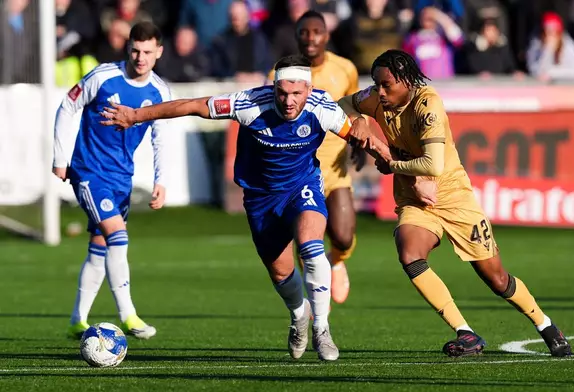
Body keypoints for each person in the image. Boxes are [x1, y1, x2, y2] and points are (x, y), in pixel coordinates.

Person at [99, 55, 382, 361]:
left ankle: (322, 330)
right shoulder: (247, 103)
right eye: (282, 93)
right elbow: (192, 105)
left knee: (312, 247)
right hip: (260, 198)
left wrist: (388, 155)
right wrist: (136, 116)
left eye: (296, 94)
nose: (289, 101)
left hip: (302, 188)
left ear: (309, 88)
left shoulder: (322, 108)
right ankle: (300, 316)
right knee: (281, 272)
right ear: (273, 87)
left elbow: (359, 131)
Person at [337, 49, 573, 358]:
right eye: (377, 84)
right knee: (409, 251)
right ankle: (466, 332)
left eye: (387, 85)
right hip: (414, 197)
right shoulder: (377, 98)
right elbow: (339, 106)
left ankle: (545, 325)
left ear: (407, 81)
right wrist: (356, 122)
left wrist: (389, 162)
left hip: (453, 196)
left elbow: (433, 167)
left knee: (497, 279)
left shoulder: (428, 106)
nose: (380, 92)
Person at [53, 21, 169, 340]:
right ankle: (128, 315)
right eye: (135, 49)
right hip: (89, 171)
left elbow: (160, 138)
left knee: (100, 245)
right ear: (127, 47)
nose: (140, 57)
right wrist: (60, 158)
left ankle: (77, 320)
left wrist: (161, 180)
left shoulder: (159, 91)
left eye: (147, 51)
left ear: (158, 52)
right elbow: (67, 106)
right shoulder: (103, 76)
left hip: (122, 177)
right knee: (117, 234)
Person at [266, 10, 363, 304]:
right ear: (296, 37)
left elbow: (354, 109)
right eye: (304, 32)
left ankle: (336, 260)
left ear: (327, 35)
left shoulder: (345, 69)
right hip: (299, 169)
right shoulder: (280, 73)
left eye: (316, 32)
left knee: (343, 236)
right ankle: (310, 299)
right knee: (308, 241)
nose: (310, 38)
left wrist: (358, 141)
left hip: (333, 166)